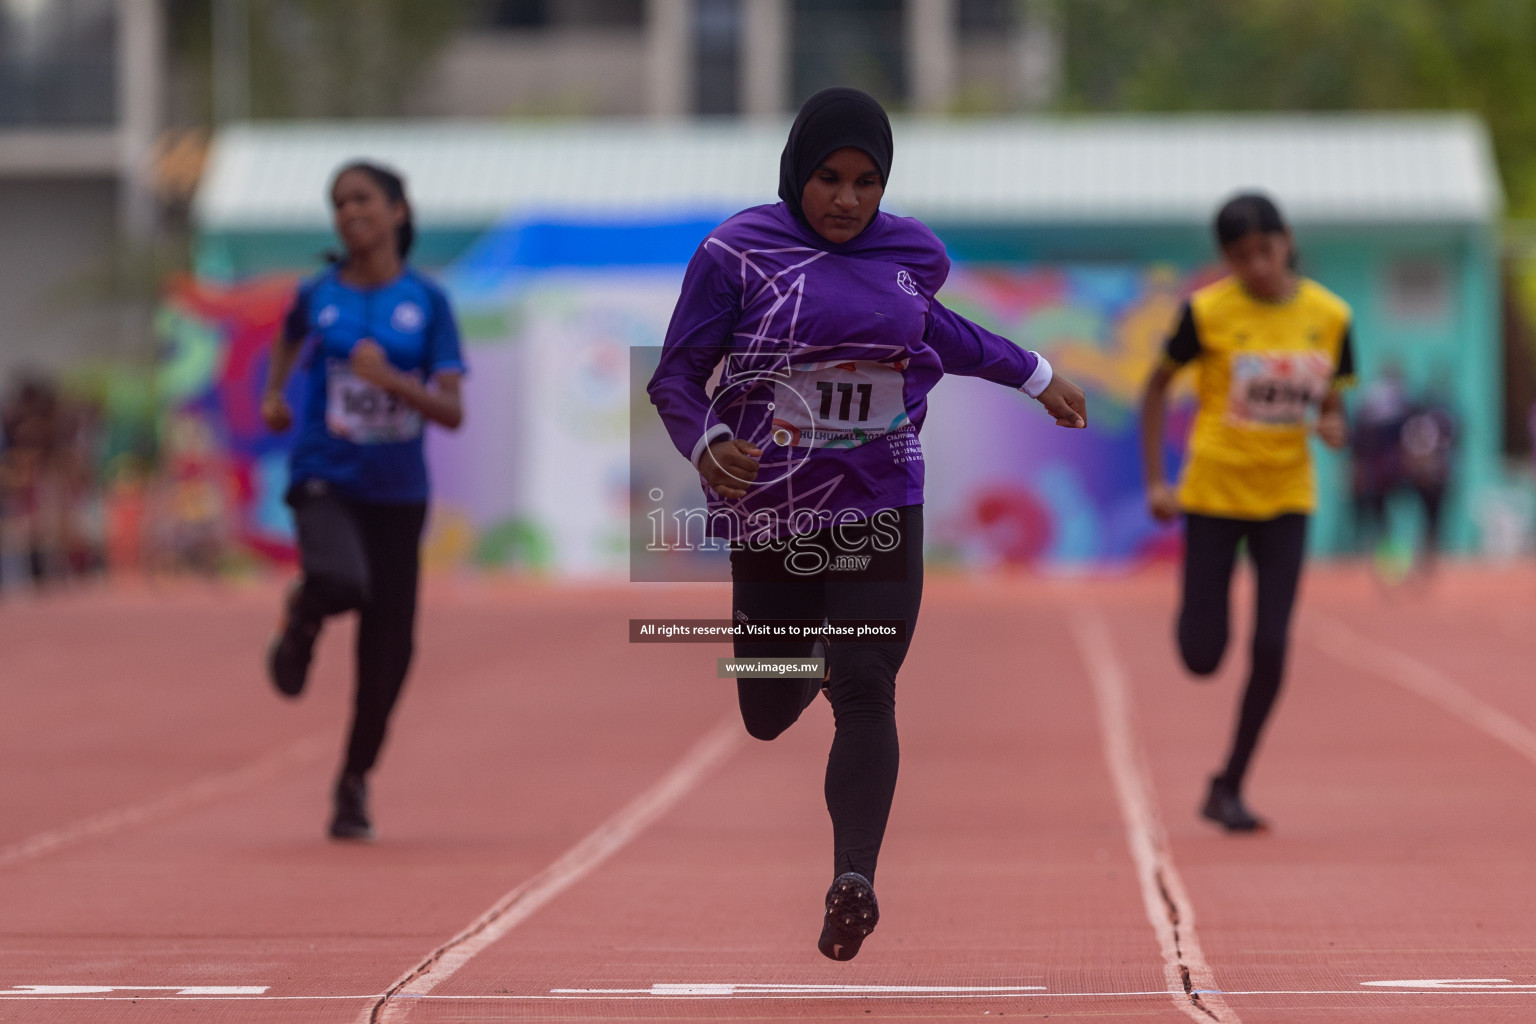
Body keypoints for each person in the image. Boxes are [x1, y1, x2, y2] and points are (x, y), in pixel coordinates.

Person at [647, 87, 1087, 961]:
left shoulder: (909, 253)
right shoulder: (736, 253)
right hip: (773, 510)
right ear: (795, 174)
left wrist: (1035, 373)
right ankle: (802, 658)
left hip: (882, 499)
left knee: (867, 681)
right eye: (828, 178)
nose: (847, 199)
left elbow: (939, 334)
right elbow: (674, 376)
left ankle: (854, 879)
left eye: (866, 182)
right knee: (767, 709)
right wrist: (707, 444)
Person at [260, 161, 466, 842]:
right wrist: (273, 393)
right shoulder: (317, 292)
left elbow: (452, 412)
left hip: (398, 495)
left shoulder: (428, 302)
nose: (349, 212)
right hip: (326, 472)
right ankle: (303, 616)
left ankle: (353, 783)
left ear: (399, 211)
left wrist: (393, 383)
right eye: (338, 202)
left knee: (389, 656)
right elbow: (289, 335)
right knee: (340, 580)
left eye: (363, 199)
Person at [1140, 193, 1353, 833]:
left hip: (1287, 496)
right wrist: (1156, 479)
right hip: (1214, 494)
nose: (1255, 266)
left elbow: (1334, 400)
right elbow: (1155, 387)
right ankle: (1199, 616)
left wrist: (1334, 422)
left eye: (1264, 250)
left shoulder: (1331, 315)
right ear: (1226, 259)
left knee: (1272, 646)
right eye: (1239, 257)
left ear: (1286, 240)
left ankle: (1229, 782)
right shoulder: (1206, 313)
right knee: (1203, 655)